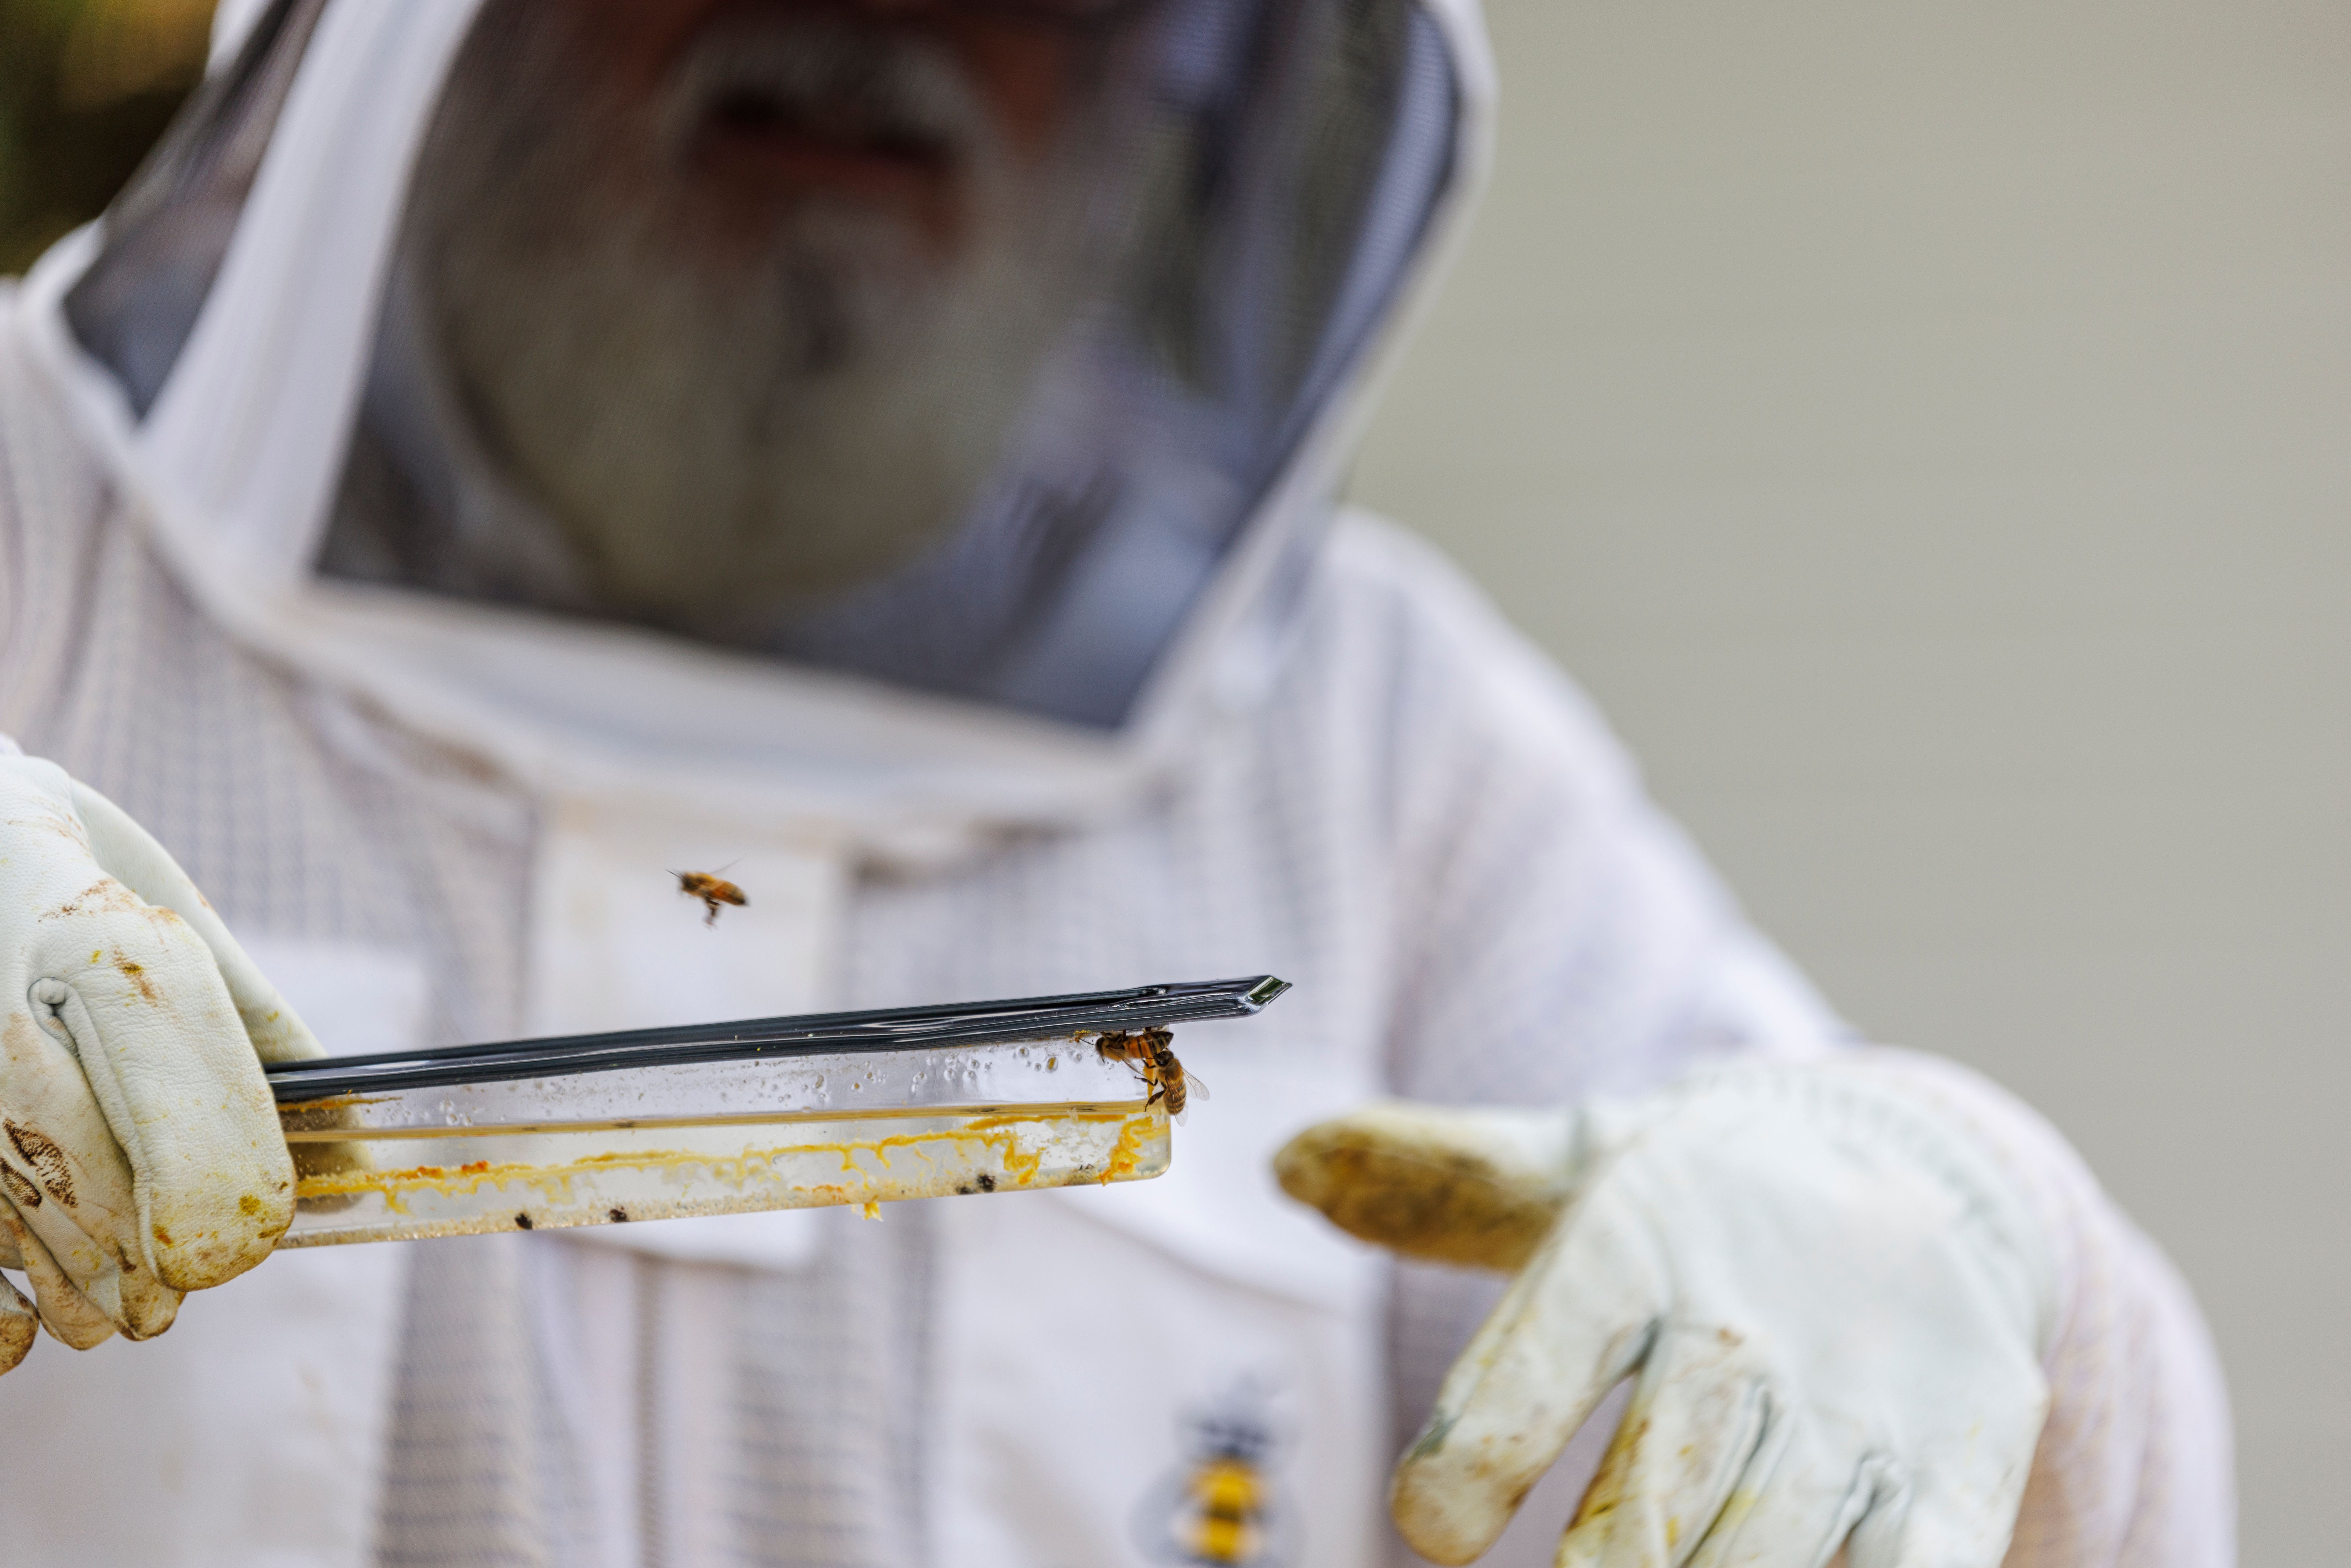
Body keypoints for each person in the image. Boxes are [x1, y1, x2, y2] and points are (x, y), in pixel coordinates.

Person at [0, 0, 2231, 1564]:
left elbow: (1944, 1468)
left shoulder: (1388, 763)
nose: (888, 19)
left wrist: (1997, 1260)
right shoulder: (41, 557)